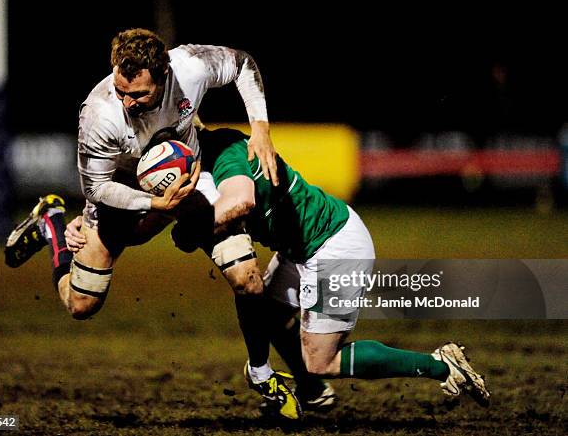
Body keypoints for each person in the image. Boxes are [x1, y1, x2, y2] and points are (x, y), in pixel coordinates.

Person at [4, 28, 327, 419]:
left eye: (138, 94)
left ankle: (262, 375)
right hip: (124, 196)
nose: (127, 102)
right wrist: (153, 202)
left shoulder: (189, 66)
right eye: (121, 90)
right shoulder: (98, 114)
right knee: (81, 303)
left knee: (247, 278)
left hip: (192, 182)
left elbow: (242, 63)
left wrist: (259, 125)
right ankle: (51, 225)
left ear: (164, 76)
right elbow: (97, 188)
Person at [171, 128, 492, 411]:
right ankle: (310, 391)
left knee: (321, 361)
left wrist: (194, 230)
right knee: (268, 315)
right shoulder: (207, 160)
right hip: (302, 248)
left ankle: (439, 365)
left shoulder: (225, 155)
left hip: (334, 244)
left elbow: (242, 200)